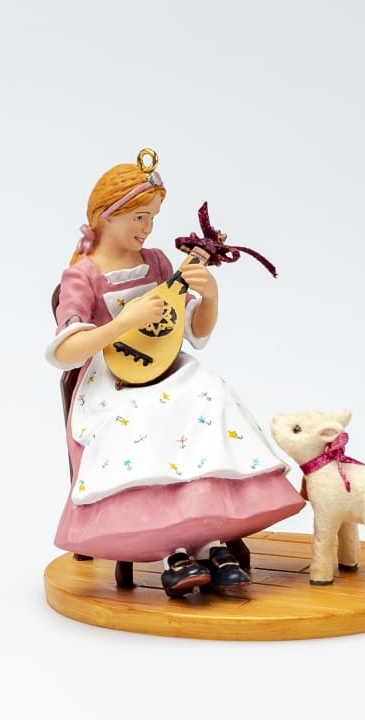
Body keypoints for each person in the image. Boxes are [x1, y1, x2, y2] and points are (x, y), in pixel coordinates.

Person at [45, 150, 305, 597]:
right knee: (142, 420)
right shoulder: (82, 276)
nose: (147, 228)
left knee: (208, 392)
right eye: (139, 217)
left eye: (152, 218)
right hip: (111, 379)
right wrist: (124, 322)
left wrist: (211, 297)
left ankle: (211, 539)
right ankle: (173, 551)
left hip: (167, 367)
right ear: (107, 215)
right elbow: (65, 351)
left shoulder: (159, 263)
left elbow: (191, 334)